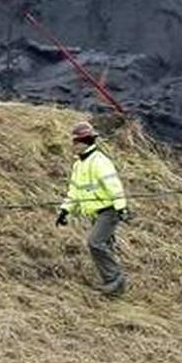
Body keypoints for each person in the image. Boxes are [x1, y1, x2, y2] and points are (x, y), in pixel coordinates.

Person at [56, 121, 130, 296]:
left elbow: (114, 186)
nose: (72, 146)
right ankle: (114, 287)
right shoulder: (79, 164)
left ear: (84, 142)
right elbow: (74, 190)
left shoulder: (100, 162)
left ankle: (115, 280)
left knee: (95, 242)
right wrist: (65, 210)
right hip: (96, 212)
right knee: (106, 245)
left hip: (109, 210)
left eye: (75, 142)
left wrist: (121, 208)